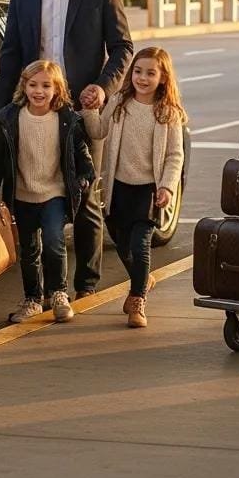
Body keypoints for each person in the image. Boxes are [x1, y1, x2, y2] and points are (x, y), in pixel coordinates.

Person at [0, 0, 134, 298]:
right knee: (29, 192)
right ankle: (37, 291)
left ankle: (86, 285)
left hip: (80, 109)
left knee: (85, 194)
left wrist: (104, 87)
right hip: (31, 109)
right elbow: (10, 54)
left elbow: (123, 46)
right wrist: (0, 112)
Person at [82, 47, 186, 328]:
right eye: (138, 71)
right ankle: (143, 278)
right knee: (122, 242)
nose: (142, 78)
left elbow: (175, 155)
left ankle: (137, 298)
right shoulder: (119, 102)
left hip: (148, 190)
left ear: (163, 78)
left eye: (151, 73)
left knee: (140, 246)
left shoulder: (168, 113)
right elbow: (98, 131)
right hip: (119, 188)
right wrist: (90, 111)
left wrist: (167, 187)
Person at [0, 60, 95, 324]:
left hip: (55, 193)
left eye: (46, 85)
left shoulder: (67, 120)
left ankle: (59, 293)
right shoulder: (9, 118)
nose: (39, 91)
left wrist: (83, 181)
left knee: (53, 241)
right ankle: (32, 299)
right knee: (28, 249)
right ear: (24, 86)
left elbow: (84, 160)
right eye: (33, 84)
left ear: (57, 89)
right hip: (22, 194)